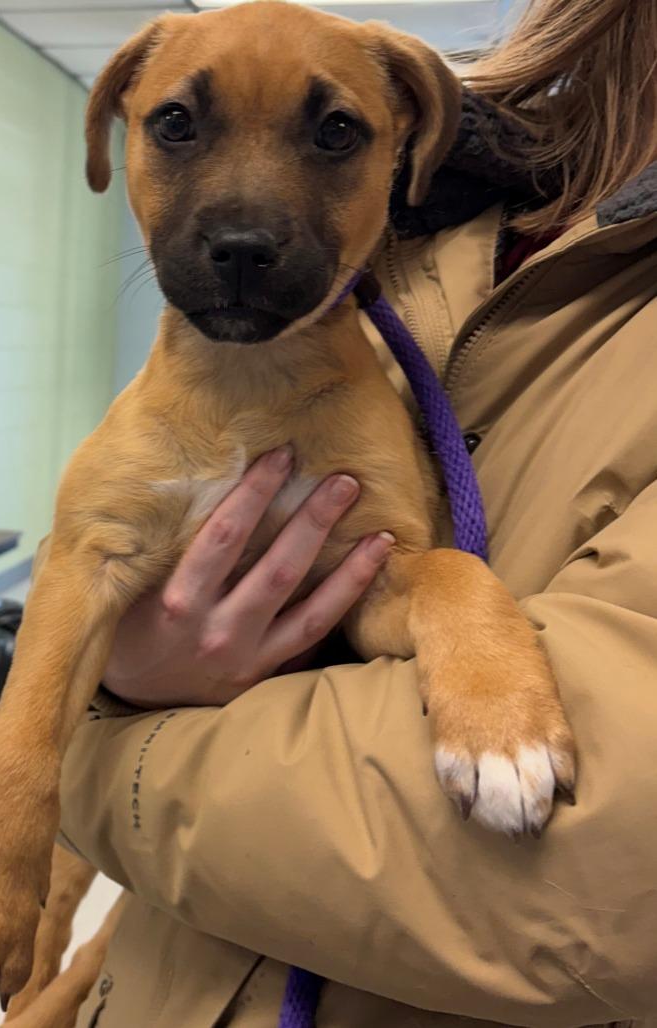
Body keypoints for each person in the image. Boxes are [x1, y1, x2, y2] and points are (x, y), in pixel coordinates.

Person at [56, 0, 657, 1024]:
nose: (249, 219)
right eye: (177, 128)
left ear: (387, 146)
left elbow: (596, 884)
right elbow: (110, 572)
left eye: (334, 137)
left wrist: (90, 749)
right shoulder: (438, 218)